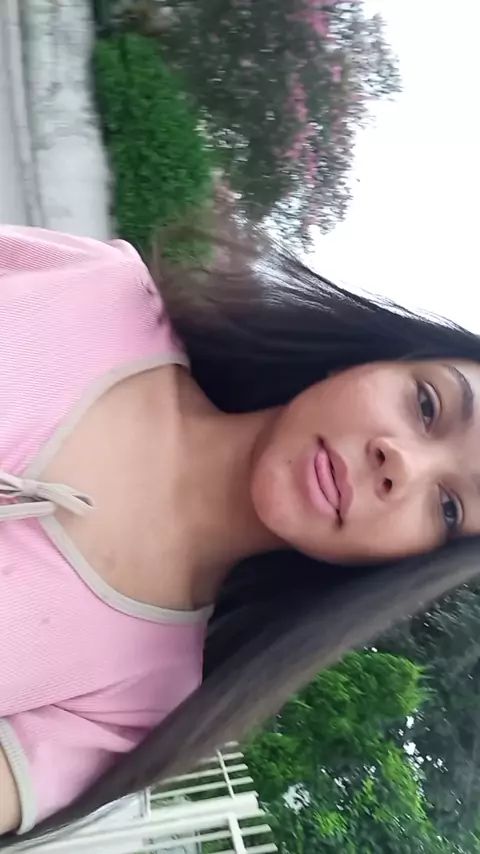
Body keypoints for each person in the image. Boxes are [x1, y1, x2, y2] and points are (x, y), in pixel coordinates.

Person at [1, 224, 480, 846]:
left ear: (406, 564)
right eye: (427, 405)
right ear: (369, 362)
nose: (403, 466)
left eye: (448, 508)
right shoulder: (98, 291)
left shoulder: (131, 705)